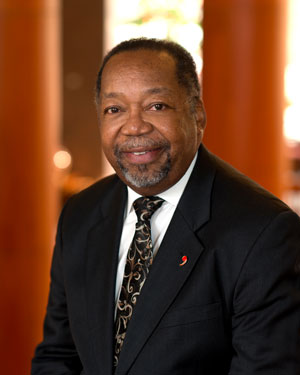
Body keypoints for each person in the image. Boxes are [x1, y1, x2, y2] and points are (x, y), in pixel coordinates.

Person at [31, 38, 300, 375]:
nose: (134, 126)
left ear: (197, 114)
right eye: (115, 109)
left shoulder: (263, 232)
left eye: (156, 105)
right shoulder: (81, 214)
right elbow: (58, 356)